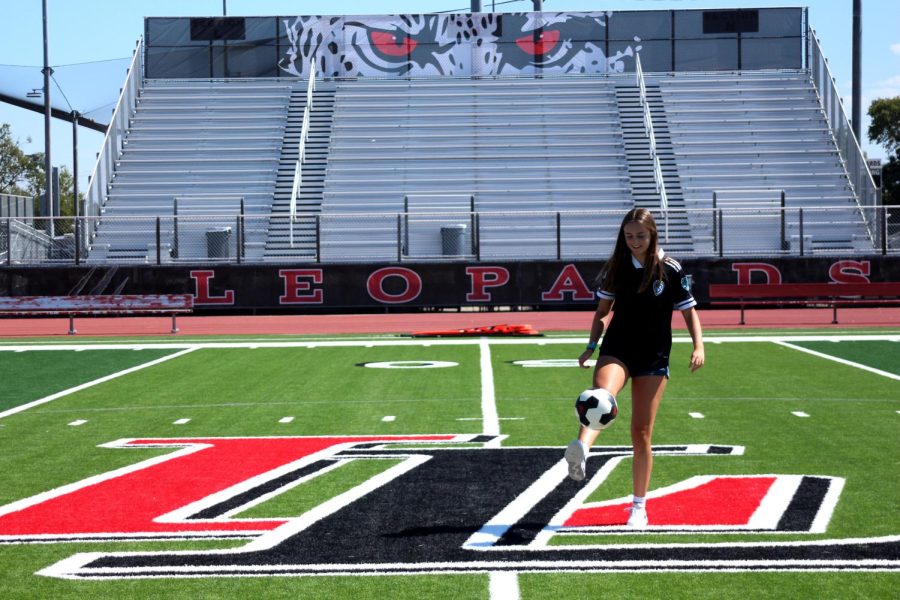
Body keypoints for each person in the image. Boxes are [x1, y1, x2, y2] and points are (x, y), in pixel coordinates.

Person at [565, 207, 705, 528]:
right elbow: (602, 311)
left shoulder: (671, 268)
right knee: (601, 397)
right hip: (618, 349)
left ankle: (638, 507)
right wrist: (591, 345)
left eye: (640, 235)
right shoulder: (616, 267)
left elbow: (688, 312)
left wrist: (699, 346)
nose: (634, 241)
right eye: (629, 236)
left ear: (653, 233)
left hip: (654, 356)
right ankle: (581, 450)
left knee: (641, 433)